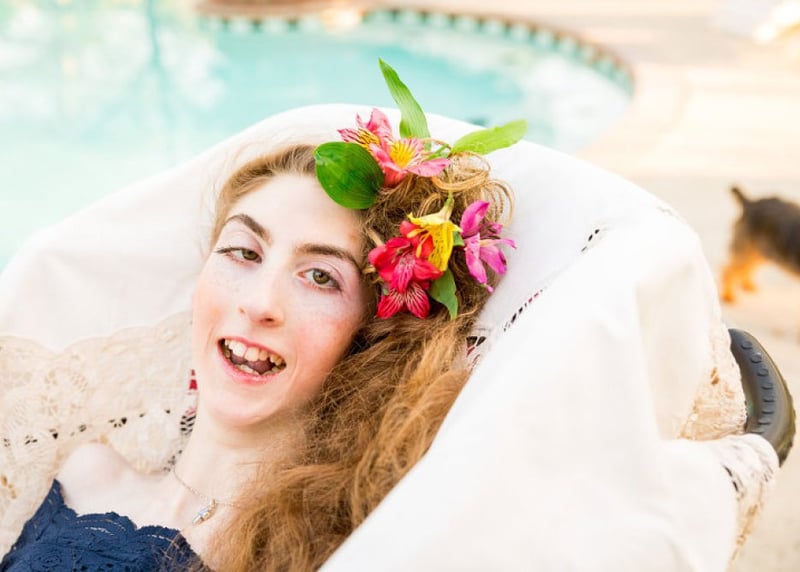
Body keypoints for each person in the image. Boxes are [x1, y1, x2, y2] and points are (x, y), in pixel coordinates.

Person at [0, 69, 521, 569]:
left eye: (320, 277)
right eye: (244, 252)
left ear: (369, 334)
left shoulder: (341, 555)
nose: (259, 303)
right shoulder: (84, 475)